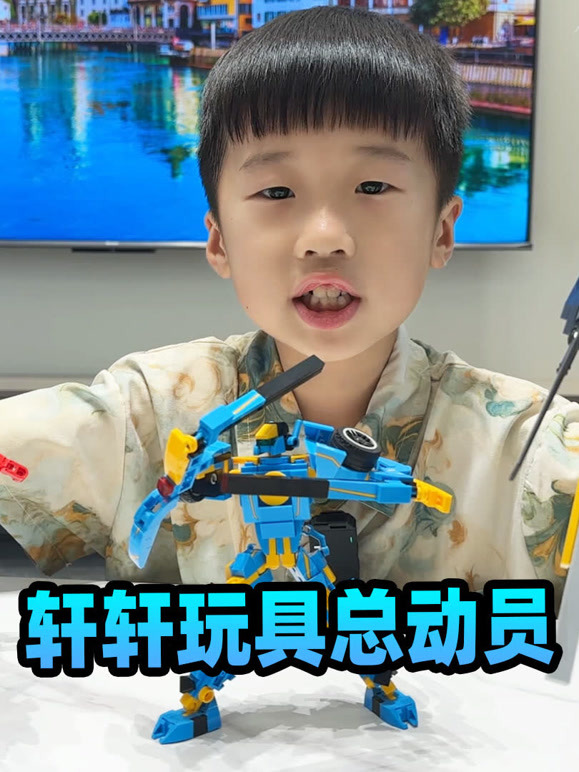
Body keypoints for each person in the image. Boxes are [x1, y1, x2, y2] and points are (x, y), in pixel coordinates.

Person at [1, 7, 577, 617]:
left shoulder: (534, 445)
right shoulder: (143, 413)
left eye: (373, 187)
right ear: (219, 240)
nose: (325, 237)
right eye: (276, 192)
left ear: (442, 230)